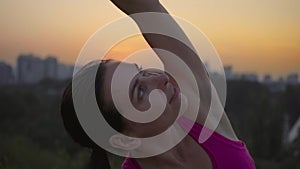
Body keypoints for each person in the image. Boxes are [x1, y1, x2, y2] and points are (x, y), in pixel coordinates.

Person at [60, 0, 256, 169]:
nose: (162, 79)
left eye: (142, 71)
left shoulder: (198, 109)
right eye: (141, 91)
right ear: (124, 139)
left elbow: (144, 5)